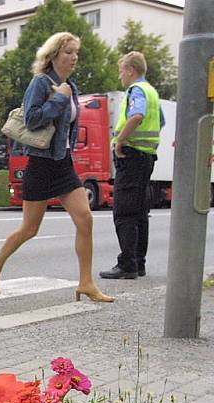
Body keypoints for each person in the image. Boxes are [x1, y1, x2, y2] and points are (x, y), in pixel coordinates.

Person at [0, 32, 113, 303]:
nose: (74, 57)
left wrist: (66, 96)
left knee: (85, 219)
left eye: (76, 52)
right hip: (40, 164)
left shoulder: (71, 86)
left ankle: (86, 283)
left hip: (63, 163)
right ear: (53, 56)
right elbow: (31, 120)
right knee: (29, 229)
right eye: (68, 52)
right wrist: (59, 99)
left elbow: (68, 130)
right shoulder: (41, 83)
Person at [99, 51, 165, 280]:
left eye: (121, 71)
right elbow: (161, 122)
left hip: (132, 157)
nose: (120, 76)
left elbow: (136, 116)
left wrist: (120, 141)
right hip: (147, 158)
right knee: (139, 213)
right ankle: (139, 263)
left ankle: (127, 264)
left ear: (130, 70)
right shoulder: (152, 92)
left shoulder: (136, 91)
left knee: (124, 212)